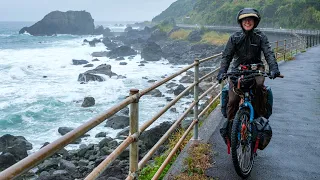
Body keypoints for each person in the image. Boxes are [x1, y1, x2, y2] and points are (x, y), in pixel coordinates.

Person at [216, 8, 280, 125]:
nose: (247, 22)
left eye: (250, 19)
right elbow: (227, 56)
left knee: (259, 86)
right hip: (237, 70)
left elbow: (268, 53)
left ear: (255, 22)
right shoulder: (234, 38)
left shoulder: (261, 36)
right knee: (233, 99)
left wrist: (274, 68)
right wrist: (222, 71)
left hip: (256, 69)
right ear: (240, 22)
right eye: (244, 20)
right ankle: (230, 126)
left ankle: (259, 119)